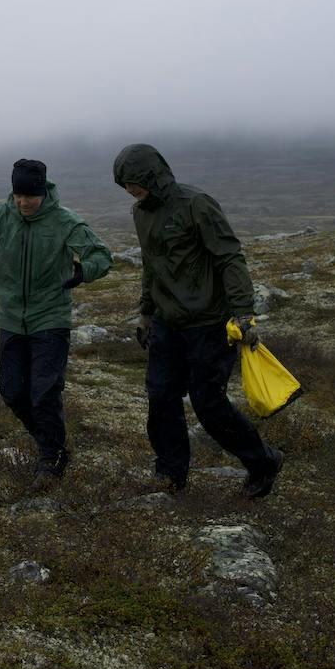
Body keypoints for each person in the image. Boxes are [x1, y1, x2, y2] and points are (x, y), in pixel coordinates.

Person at [111, 144, 283, 498]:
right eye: (124, 185)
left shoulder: (196, 204)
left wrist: (243, 313)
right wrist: (145, 314)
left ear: (152, 176)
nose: (130, 190)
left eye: (134, 182)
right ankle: (171, 475)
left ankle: (262, 461)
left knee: (209, 404)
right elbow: (151, 265)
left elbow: (229, 258)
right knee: (161, 398)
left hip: (208, 323)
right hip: (166, 323)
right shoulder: (140, 213)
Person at [0, 158, 112, 480]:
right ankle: (53, 444)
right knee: (12, 393)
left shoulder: (64, 221)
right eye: (18, 195)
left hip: (50, 318)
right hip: (10, 319)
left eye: (29, 196)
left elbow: (100, 255)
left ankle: (51, 458)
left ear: (42, 192)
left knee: (44, 392)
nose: (23, 202)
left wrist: (83, 271)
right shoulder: (1, 215)